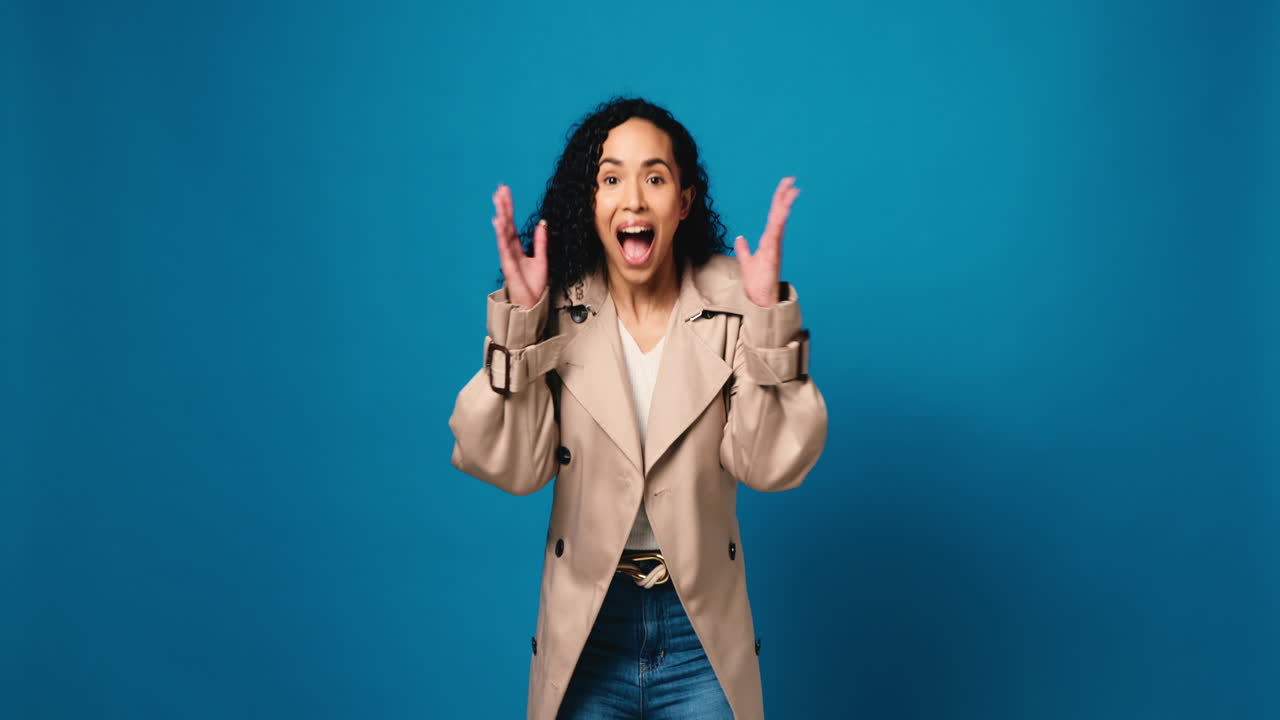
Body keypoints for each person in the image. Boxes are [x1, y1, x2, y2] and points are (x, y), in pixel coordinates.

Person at [449, 96, 827, 720]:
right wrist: (519, 326)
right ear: (589, 201)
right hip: (588, 625)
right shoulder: (555, 309)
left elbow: (768, 466)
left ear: (683, 200)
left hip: (698, 627)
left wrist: (766, 325)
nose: (633, 199)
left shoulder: (736, 302)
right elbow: (514, 468)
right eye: (611, 178)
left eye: (655, 177)